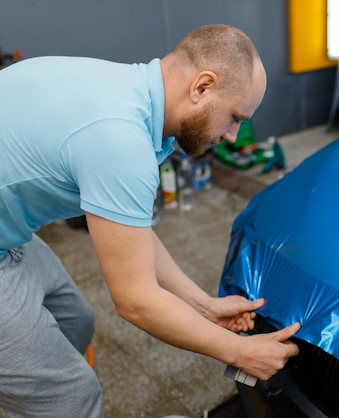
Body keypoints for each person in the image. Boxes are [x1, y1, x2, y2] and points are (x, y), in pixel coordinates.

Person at [0, 24, 300, 417]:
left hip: (10, 227)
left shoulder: (128, 94)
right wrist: (242, 352)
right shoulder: (121, 140)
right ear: (202, 87)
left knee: (75, 321)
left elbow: (131, 230)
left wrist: (204, 307)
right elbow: (136, 302)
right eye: (234, 117)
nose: (232, 135)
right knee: (72, 397)